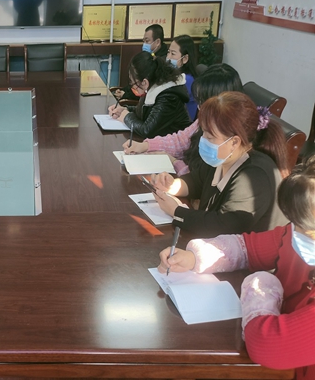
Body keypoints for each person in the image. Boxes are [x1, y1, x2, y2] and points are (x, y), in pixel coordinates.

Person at [157, 156, 315, 379]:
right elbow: (249, 248)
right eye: (295, 223)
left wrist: (260, 287)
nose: (295, 233)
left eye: (306, 230)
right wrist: (194, 257)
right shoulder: (296, 234)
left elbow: (268, 345)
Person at [151, 91, 288, 238]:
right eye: (203, 132)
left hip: (244, 250)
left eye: (210, 137)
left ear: (234, 142)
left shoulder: (255, 176)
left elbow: (224, 225)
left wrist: (176, 212)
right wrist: (172, 185)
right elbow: (196, 181)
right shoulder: (223, 157)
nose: (203, 139)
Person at [123, 64, 244, 175]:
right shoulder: (207, 118)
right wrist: (145, 146)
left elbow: (199, 180)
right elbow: (181, 140)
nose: (200, 108)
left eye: (204, 103)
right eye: (199, 102)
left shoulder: (228, 142)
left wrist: (174, 162)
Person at [108, 51, 190, 139]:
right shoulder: (153, 85)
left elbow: (146, 130)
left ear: (144, 82)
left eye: (133, 82)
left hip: (177, 145)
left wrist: (126, 117)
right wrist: (125, 109)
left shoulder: (168, 97)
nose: (133, 87)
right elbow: (148, 112)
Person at [114, 24, 168, 100]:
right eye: (144, 41)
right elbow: (136, 80)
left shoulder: (161, 63)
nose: (144, 44)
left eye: (147, 41)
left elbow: (144, 90)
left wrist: (126, 94)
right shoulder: (148, 57)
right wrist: (124, 90)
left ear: (157, 42)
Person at [167, 34, 199, 120]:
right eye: (168, 52)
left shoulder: (187, 80)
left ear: (185, 59)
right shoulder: (175, 75)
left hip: (182, 125)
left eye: (173, 53)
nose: (168, 57)